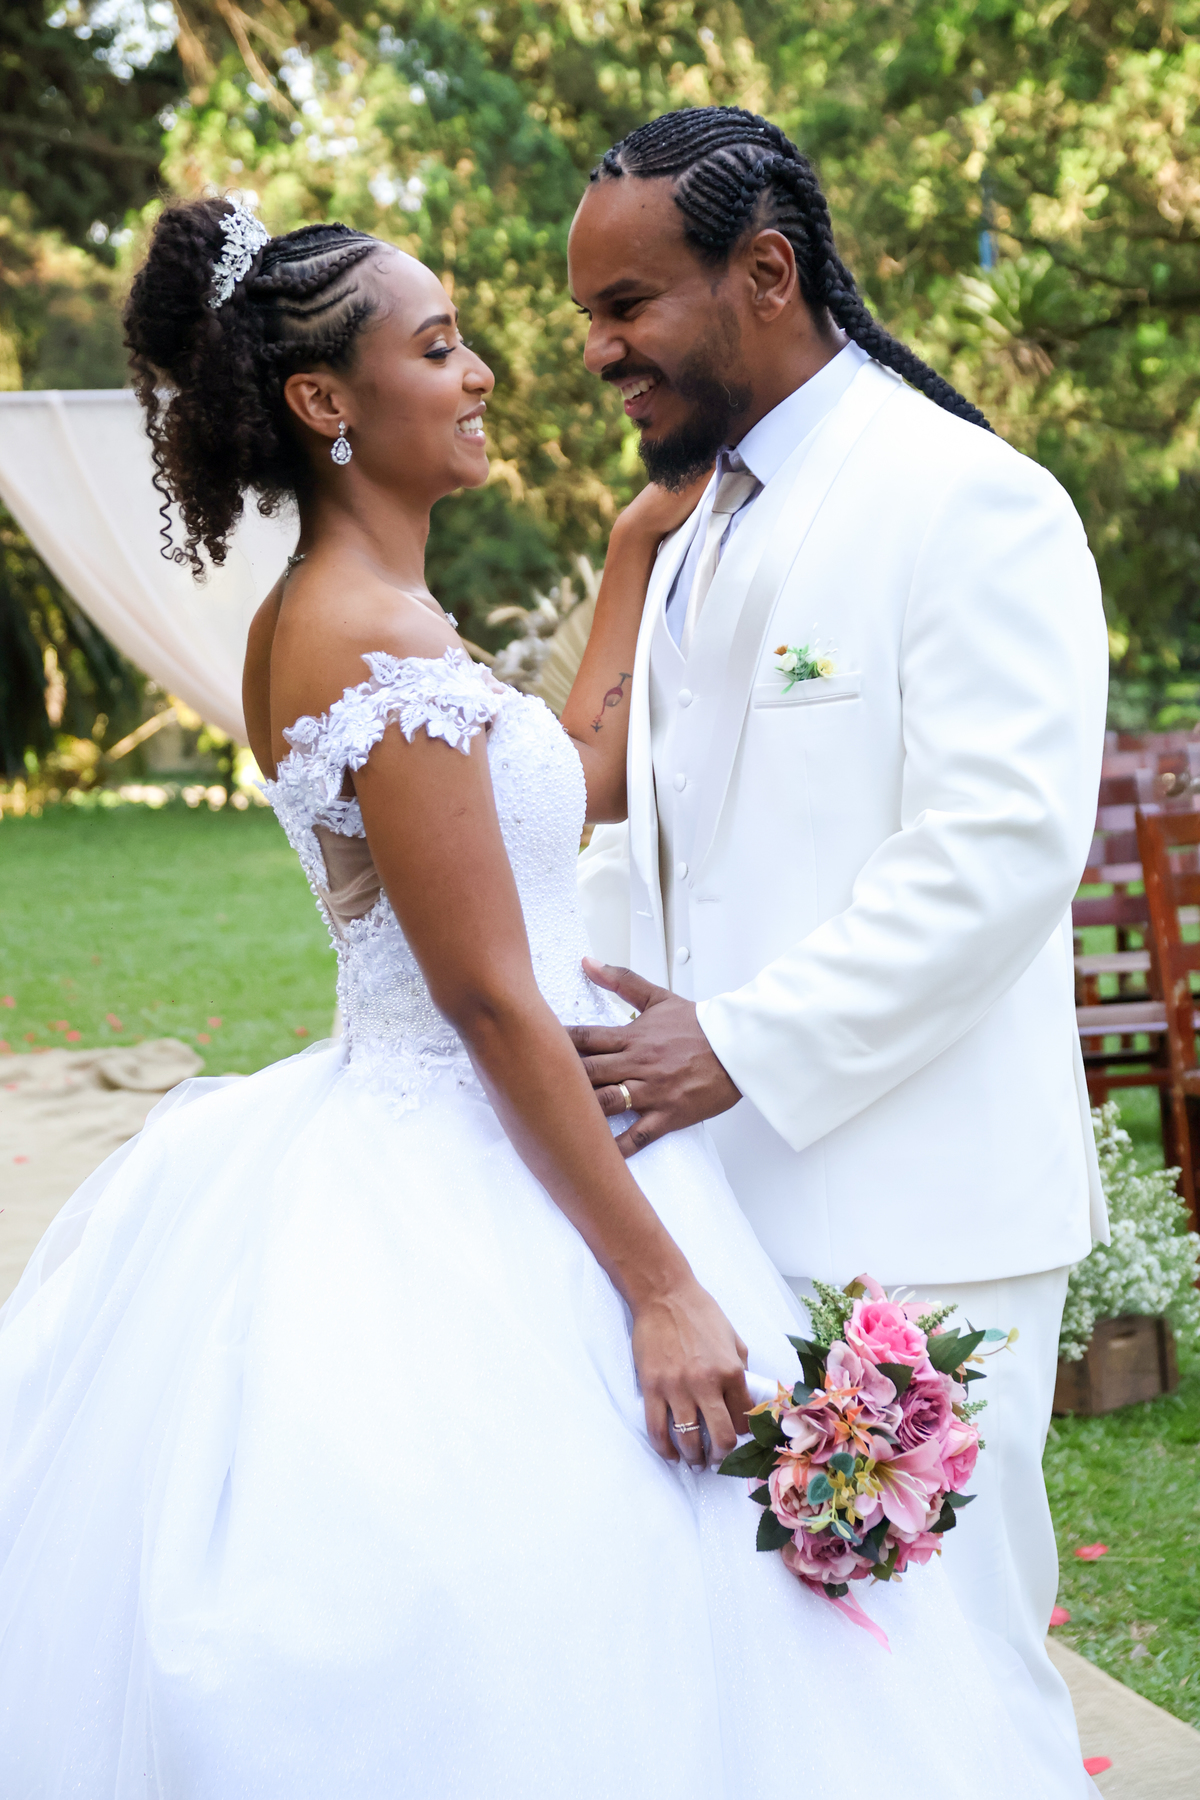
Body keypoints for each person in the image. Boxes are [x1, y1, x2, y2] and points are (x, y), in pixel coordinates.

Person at [0, 197, 1053, 1799]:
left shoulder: (369, 619)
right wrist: (660, 1286)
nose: (483, 372)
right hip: (485, 1156)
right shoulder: (364, 640)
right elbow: (492, 1002)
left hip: (496, 1125)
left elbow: (572, 780)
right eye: (439, 348)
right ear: (325, 401)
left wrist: (632, 555)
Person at [565, 107, 1109, 1796]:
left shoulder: (970, 500)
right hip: (724, 1203)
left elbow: (998, 851)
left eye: (630, 306)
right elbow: (655, 841)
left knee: (953, 1672)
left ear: (767, 272)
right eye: (590, 314)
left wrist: (738, 1042)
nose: (598, 351)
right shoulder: (695, 523)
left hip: (921, 1217)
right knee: (805, 1700)